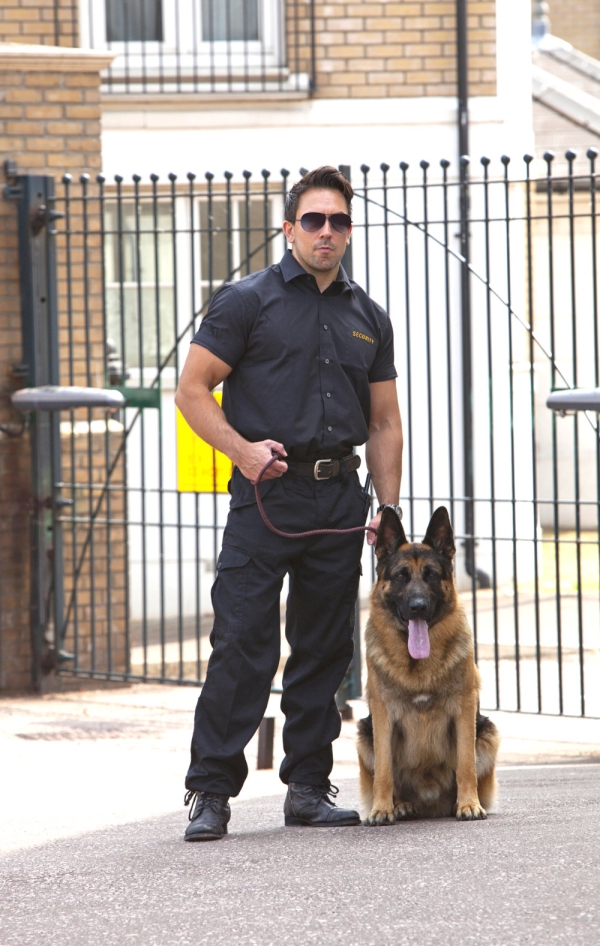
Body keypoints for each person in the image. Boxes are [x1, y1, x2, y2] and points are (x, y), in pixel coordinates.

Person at [175, 166, 403, 841]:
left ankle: (307, 786)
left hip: (339, 497)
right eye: (313, 220)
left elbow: (385, 422)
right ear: (289, 228)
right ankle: (211, 791)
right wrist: (242, 452)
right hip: (264, 494)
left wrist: (387, 511)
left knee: (324, 649)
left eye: (338, 221)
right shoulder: (247, 301)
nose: (326, 231)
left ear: (350, 230)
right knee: (242, 643)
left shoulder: (369, 316)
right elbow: (192, 391)